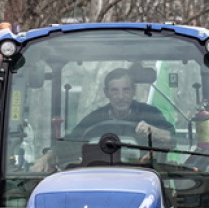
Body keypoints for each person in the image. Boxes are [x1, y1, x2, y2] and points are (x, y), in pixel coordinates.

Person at [33, 68, 175, 171]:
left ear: (133, 91)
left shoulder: (150, 114)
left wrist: (154, 131)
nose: (121, 96)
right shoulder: (95, 119)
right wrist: (45, 159)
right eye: (114, 90)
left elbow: (172, 140)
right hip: (100, 178)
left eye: (126, 90)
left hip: (143, 176)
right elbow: (69, 144)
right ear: (106, 93)